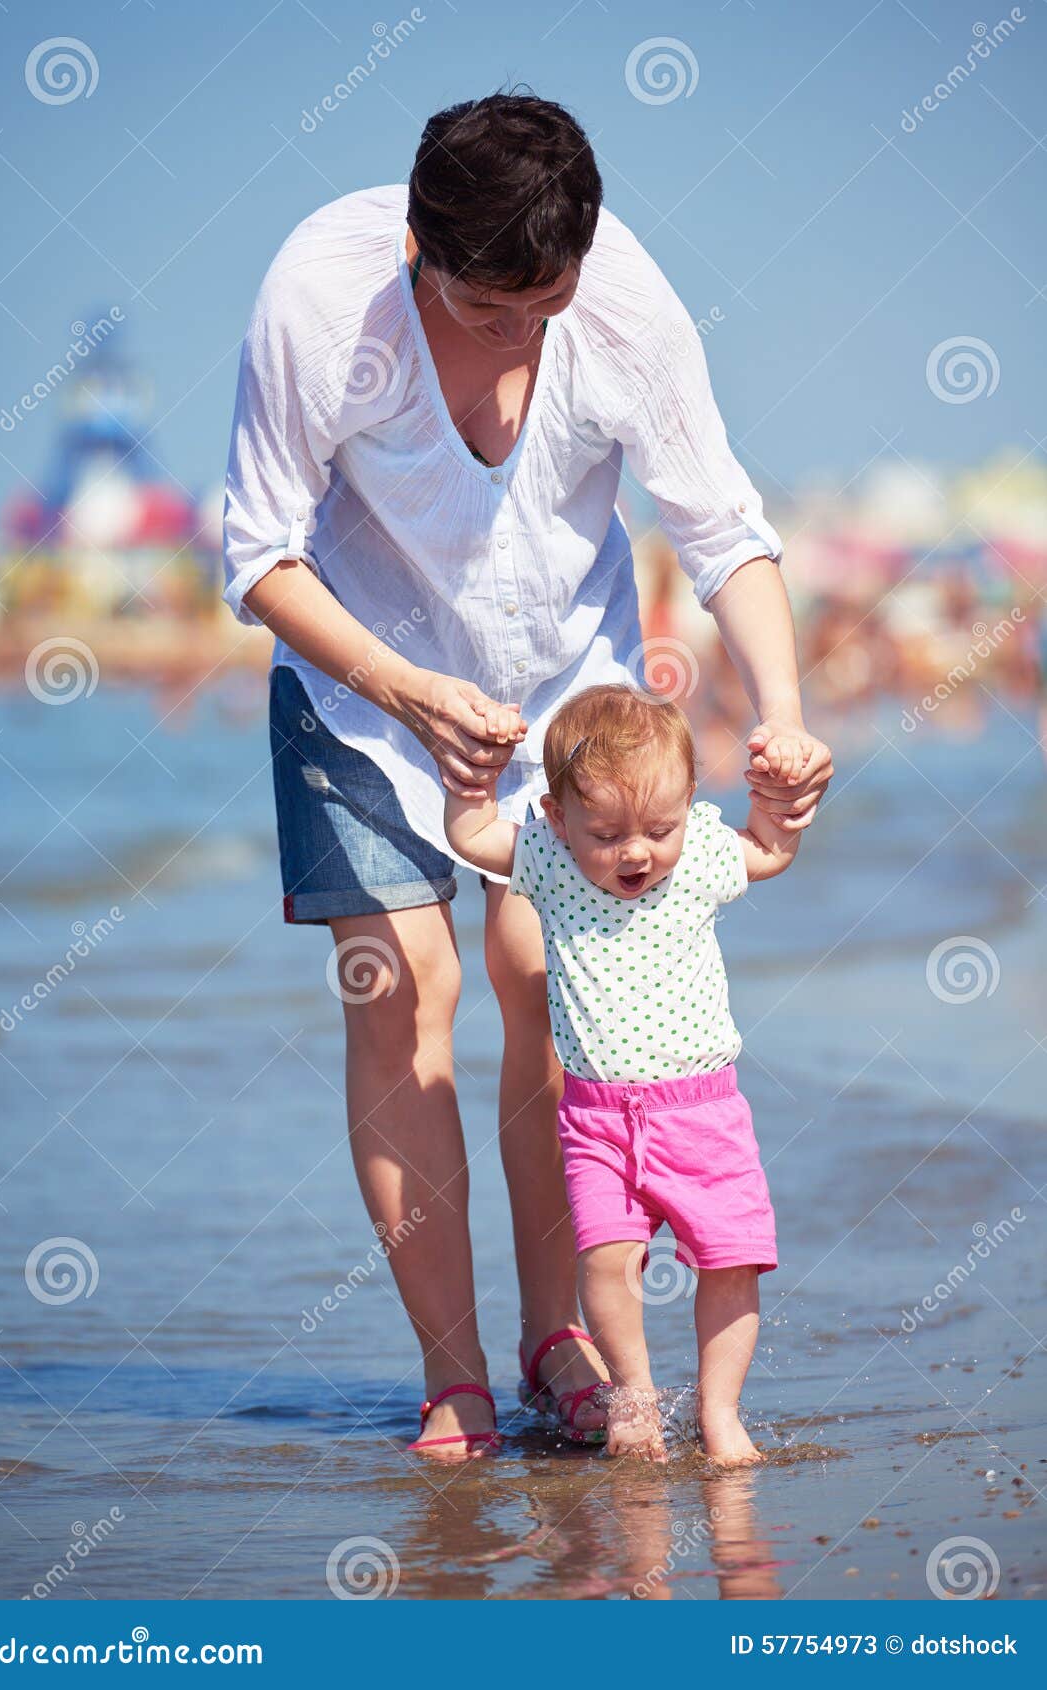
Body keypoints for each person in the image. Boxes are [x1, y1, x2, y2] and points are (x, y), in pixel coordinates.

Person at [222, 91, 833, 1461]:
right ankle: (455, 1376)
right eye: (490, 310)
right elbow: (258, 553)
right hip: (359, 686)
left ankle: (560, 1339)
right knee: (405, 994)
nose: (522, 342)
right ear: (417, 254)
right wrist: (407, 689)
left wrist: (781, 711)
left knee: (546, 988)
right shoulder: (320, 302)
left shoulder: (620, 305)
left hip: (569, 701)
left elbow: (724, 528)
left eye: (545, 306)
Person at [445, 684, 799, 1463]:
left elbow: (769, 850)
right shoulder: (551, 862)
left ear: (687, 806)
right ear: (558, 820)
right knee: (606, 1260)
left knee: (733, 1262)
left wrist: (777, 795)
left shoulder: (701, 851)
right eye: (606, 833)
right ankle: (634, 1399)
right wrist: (472, 781)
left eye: (657, 828)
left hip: (704, 1114)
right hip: (597, 1120)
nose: (636, 851)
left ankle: (719, 1413)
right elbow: (471, 833)